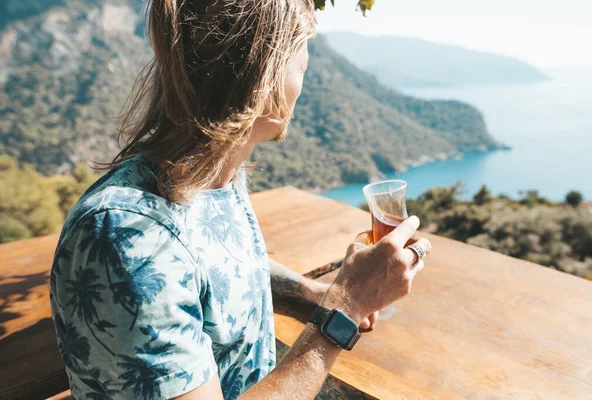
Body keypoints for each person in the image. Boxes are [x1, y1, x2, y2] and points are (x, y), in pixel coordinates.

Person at [49, 0, 432, 399]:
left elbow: (214, 265)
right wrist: (344, 308)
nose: (305, 75)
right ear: (262, 74)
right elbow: (161, 266)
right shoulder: (126, 237)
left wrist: (307, 290)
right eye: (301, 59)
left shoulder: (215, 176)